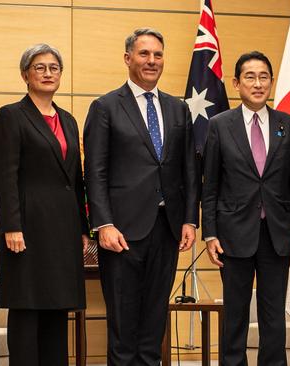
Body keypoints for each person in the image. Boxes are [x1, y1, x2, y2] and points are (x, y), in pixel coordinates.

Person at [83, 28, 199, 365]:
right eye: (144, 54)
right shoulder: (105, 107)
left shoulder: (178, 110)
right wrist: (102, 223)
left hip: (167, 229)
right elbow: (95, 172)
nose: (152, 61)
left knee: (153, 325)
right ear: (128, 58)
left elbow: (189, 171)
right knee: (123, 327)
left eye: (158, 55)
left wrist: (190, 218)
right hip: (121, 232)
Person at [201, 51, 290, 366]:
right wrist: (210, 233)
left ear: (271, 82)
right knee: (235, 312)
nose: (257, 83)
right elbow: (211, 185)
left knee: (273, 313)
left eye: (263, 77)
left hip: (277, 232)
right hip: (234, 233)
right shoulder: (220, 125)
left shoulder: (289, 125)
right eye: (250, 76)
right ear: (236, 83)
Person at [0, 44, 88, 366]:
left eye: (54, 68)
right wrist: (11, 226)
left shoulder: (68, 120)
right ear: (25, 75)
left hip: (63, 230)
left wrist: (83, 229)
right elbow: (5, 177)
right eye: (40, 67)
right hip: (27, 228)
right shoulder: (11, 116)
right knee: (27, 309)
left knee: (56, 309)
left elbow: (76, 179)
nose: (48, 74)